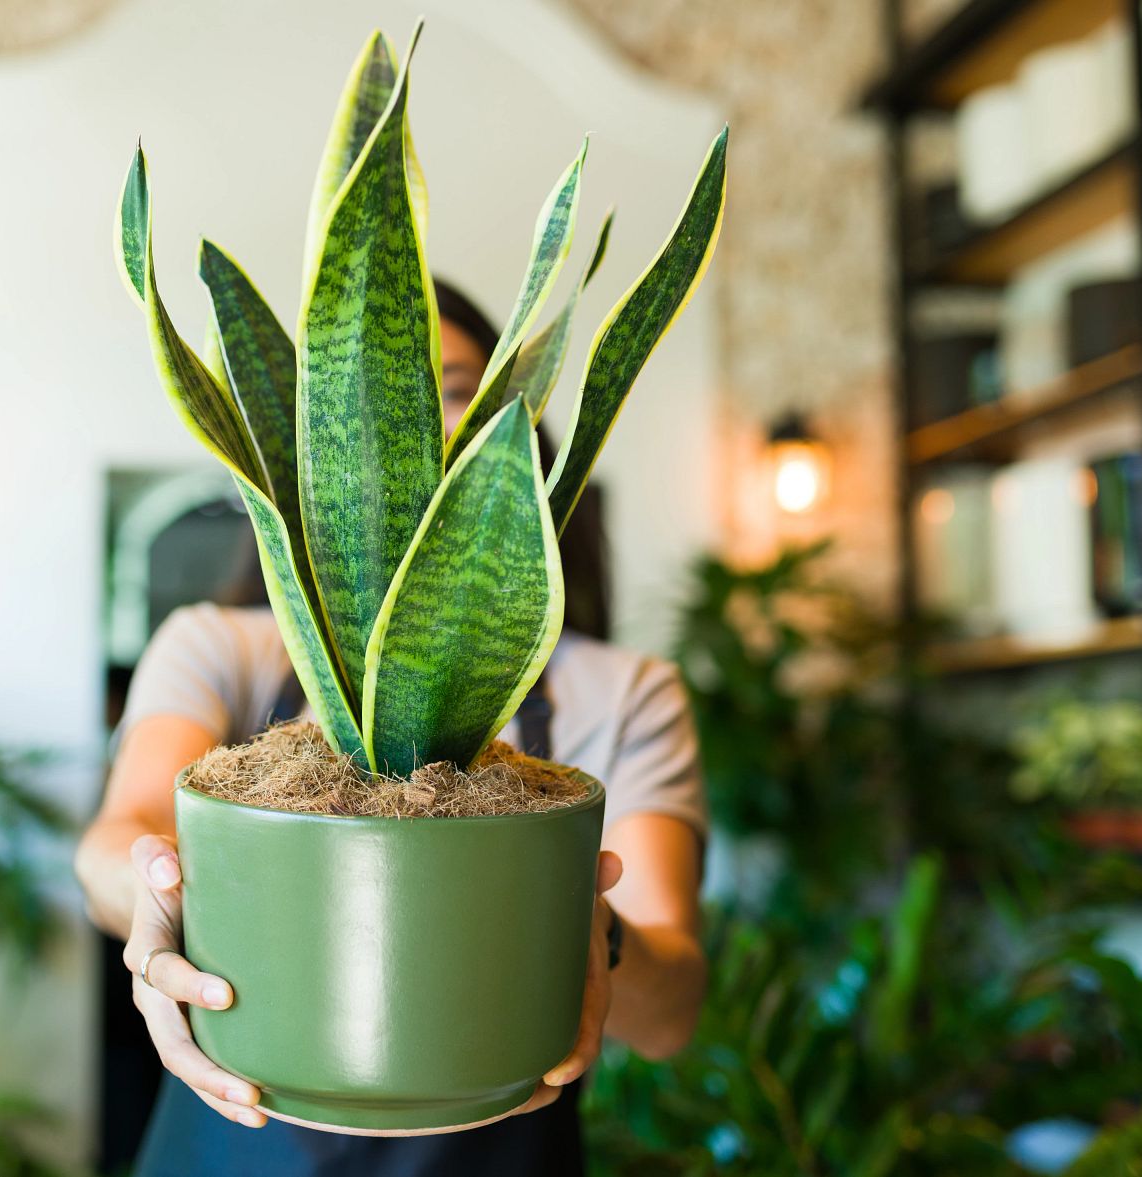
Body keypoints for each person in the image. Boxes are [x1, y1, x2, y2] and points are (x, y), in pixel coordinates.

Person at [76, 280, 708, 1177]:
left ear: (520, 434)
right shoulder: (220, 647)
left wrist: (591, 927)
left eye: (458, 394)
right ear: (315, 446)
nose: (422, 431)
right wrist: (152, 896)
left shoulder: (625, 692)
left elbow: (671, 1010)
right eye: (376, 407)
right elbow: (121, 834)